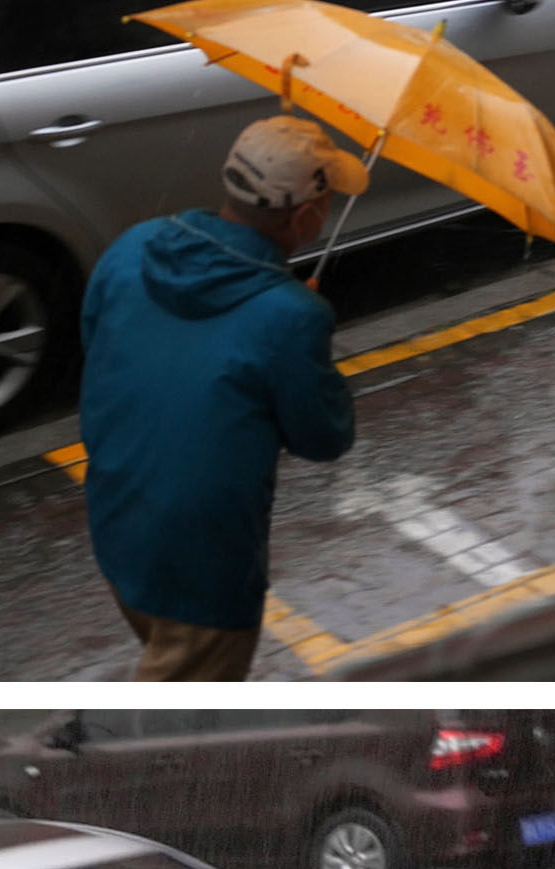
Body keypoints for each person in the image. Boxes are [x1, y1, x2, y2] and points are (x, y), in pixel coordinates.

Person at [74, 116, 363, 682]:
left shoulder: (133, 245)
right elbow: (323, 436)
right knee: (180, 728)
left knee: (162, 655)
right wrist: (305, 333)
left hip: (117, 514)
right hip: (204, 562)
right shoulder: (290, 317)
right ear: (305, 217)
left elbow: (97, 341)